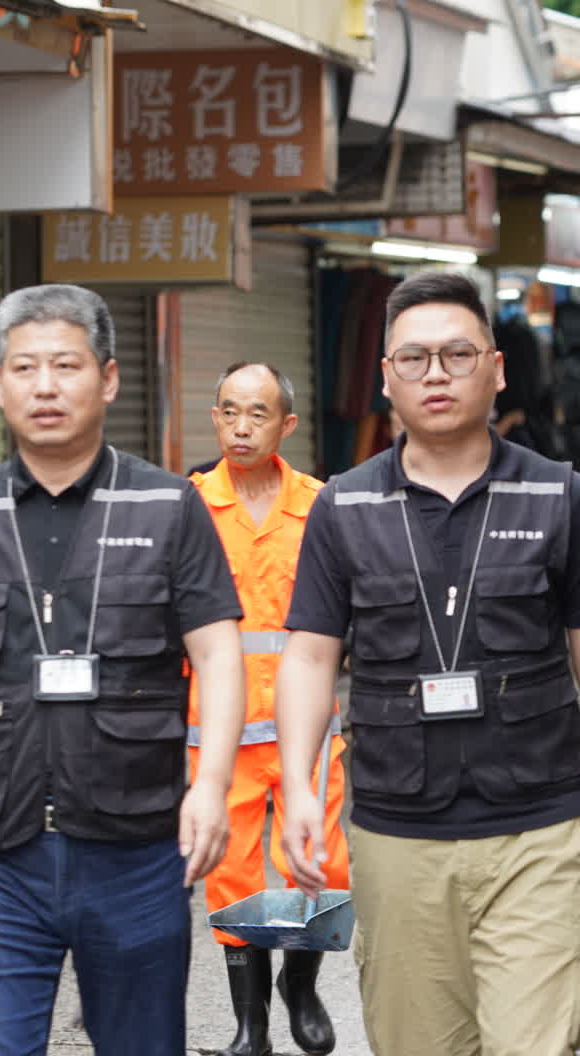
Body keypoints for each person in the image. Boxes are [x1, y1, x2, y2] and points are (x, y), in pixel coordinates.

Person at [275, 271, 580, 1056]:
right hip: (396, 835)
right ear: (385, 378)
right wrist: (298, 784)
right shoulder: (343, 507)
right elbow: (312, 656)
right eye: (413, 359)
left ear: (497, 367)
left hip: (540, 831)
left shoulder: (559, 497)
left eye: (457, 353)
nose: (437, 374)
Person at [0, 283, 247, 1056]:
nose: (45, 386)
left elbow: (217, 650)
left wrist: (212, 785)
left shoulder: (167, 505)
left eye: (65, 365)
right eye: (24, 368)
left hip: (134, 844)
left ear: (109, 379)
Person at [188, 362, 348, 1056]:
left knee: (327, 865)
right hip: (215, 729)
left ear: (286, 425)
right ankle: (249, 1025)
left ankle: (300, 985)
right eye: (229, 412)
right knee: (231, 875)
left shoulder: (322, 505)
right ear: (214, 417)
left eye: (257, 414)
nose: (241, 426)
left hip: (306, 727)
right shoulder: (186, 504)